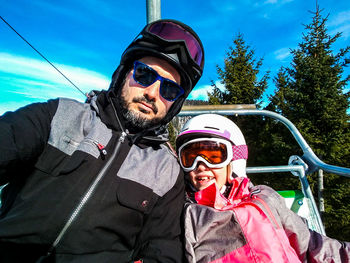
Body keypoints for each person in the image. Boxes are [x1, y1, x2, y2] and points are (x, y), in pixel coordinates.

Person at [0, 19, 204, 262]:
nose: (152, 93)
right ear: (123, 73)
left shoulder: (166, 171)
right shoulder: (60, 116)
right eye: (144, 74)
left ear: (175, 104)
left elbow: (163, 250)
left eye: (169, 90)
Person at [176, 114, 350, 263]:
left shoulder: (263, 197)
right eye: (189, 158)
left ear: (235, 158)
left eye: (213, 156)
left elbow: (311, 244)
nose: (200, 166)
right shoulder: (186, 213)